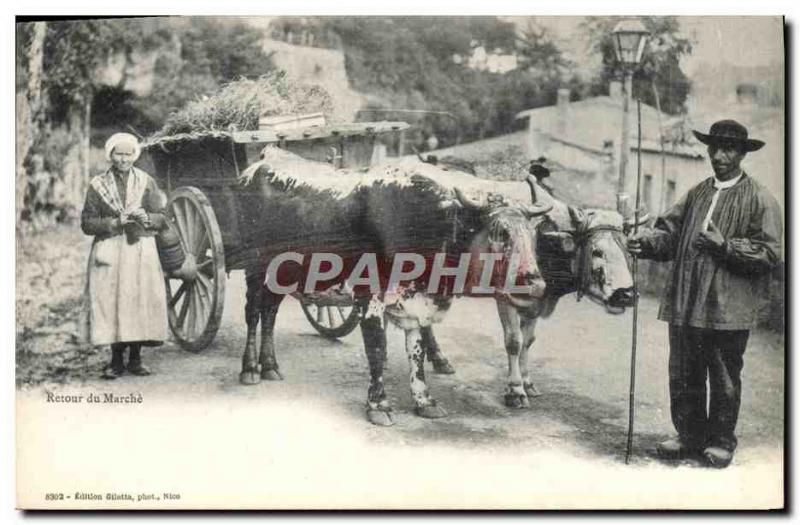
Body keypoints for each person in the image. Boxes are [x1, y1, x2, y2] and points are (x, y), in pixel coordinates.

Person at [627, 119, 782, 468]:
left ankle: (721, 441)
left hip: (727, 308)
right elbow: (668, 234)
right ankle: (688, 435)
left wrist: (725, 246)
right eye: (715, 147)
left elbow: (770, 253)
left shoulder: (760, 199)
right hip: (686, 301)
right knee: (683, 372)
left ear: (742, 154)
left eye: (728, 149)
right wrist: (646, 243)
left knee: (724, 376)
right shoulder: (697, 193)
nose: (720, 155)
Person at [81, 133, 168, 379]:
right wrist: (113, 222)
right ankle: (116, 361)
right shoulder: (97, 185)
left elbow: (162, 216)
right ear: (110, 155)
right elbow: (87, 223)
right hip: (111, 248)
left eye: (128, 154)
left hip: (140, 247)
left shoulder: (146, 182)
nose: (123, 159)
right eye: (118, 154)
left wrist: (146, 217)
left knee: (138, 301)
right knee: (112, 302)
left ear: (135, 156)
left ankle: (136, 359)